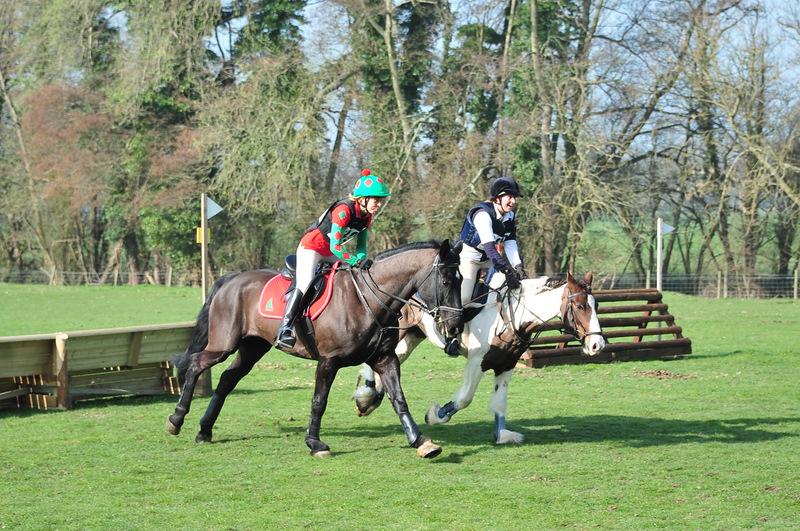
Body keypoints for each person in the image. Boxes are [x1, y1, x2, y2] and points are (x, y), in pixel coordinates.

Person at [275, 169, 391, 351]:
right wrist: (354, 260)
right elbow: (336, 246)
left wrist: (361, 261)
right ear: (363, 199)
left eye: (380, 200)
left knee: (352, 276)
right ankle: (285, 329)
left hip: (329, 251)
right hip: (312, 248)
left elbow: (361, 247)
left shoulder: (366, 217)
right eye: (376, 200)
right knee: (305, 284)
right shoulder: (343, 211)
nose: (379, 204)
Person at [456, 176, 528, 310]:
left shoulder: (509, 216)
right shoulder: (483, 215)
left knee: (506, 292)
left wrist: (518, 267)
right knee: (464, 299)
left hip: (488, 260)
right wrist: (507, 271)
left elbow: (510, 242)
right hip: (469, 259)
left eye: (515, 197)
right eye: (510, 197)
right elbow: (490, 248)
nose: (514, 201)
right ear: (498, 198)